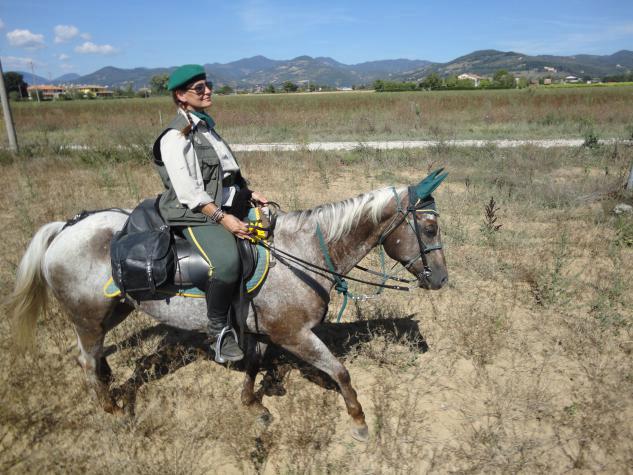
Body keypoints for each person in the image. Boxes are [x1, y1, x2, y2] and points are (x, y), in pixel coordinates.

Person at [152, 64, 268, 362]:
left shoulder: (205, 127)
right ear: (181, 96)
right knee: (227, 263)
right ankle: (218, 332)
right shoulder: (175, 137)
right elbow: (189, 192)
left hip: (224, 201)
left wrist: (249, 193)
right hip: (193, 211)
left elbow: (226, 172)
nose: (208, 91)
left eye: (208, 85)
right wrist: (223, 219)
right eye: (199, 88)